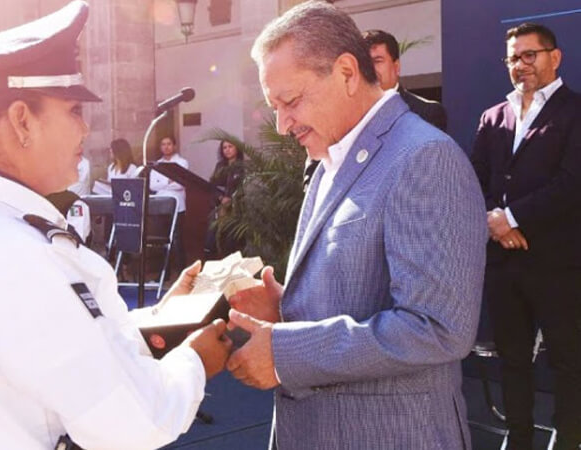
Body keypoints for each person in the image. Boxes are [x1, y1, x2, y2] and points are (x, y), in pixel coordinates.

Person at [0, 2, 231, 449]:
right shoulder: (14, 254)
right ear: (21, 120)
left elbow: (26, 345)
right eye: (72, 110)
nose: (85, 129)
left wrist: (162, 319)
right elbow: (133, 425)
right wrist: (195, 361)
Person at [225, 2, 486, 449]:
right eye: (274, 107)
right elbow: (362, 292)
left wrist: (288, 352)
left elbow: (438, 328)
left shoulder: (424, 158)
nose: (282, 124)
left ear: (347, 73)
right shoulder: (330, 159)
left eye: (290, 101)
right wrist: (289, 309)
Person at [470, 22, 581, 450]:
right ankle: (519, 441)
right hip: (504, 264)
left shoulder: (575, 111)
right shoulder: (492, 116)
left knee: (568, 363)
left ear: (555, 57)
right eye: (513, 57)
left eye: (529, 55)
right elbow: (472, 179)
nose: (521, 65)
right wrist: (494, 222)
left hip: (556, 265)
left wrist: (511, 218)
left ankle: (569, 441)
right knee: (513, 363)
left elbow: (572, 183)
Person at [362, 29, 447, 132]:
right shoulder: (350, 115)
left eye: (377, 61)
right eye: (365, 62)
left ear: (396, 67)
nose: (370, 68)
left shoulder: (426, 112)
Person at [149, 135, 188, 274]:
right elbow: (153, 185)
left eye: (169, 144)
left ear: (174, 146)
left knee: (177, 239)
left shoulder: (182, 163)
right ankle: (164, 273)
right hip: (160, 206)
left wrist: (163, 184)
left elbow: (180, 184)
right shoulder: (157, 164)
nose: (166, 147)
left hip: (177, 206)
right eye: (163, 144)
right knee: (162, 240)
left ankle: (182, 272)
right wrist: (168, 182)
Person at [204, 139, 244, 258]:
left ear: (237, 148)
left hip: (236, 210)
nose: (227, 150)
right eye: (224, 147)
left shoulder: (242, 166)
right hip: (218, 208)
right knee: (210, 241)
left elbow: (244, 186)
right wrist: (221, 198)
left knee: (231, 243)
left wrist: (231, 200)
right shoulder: (220, 166)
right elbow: (213, 185)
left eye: (230, 146)